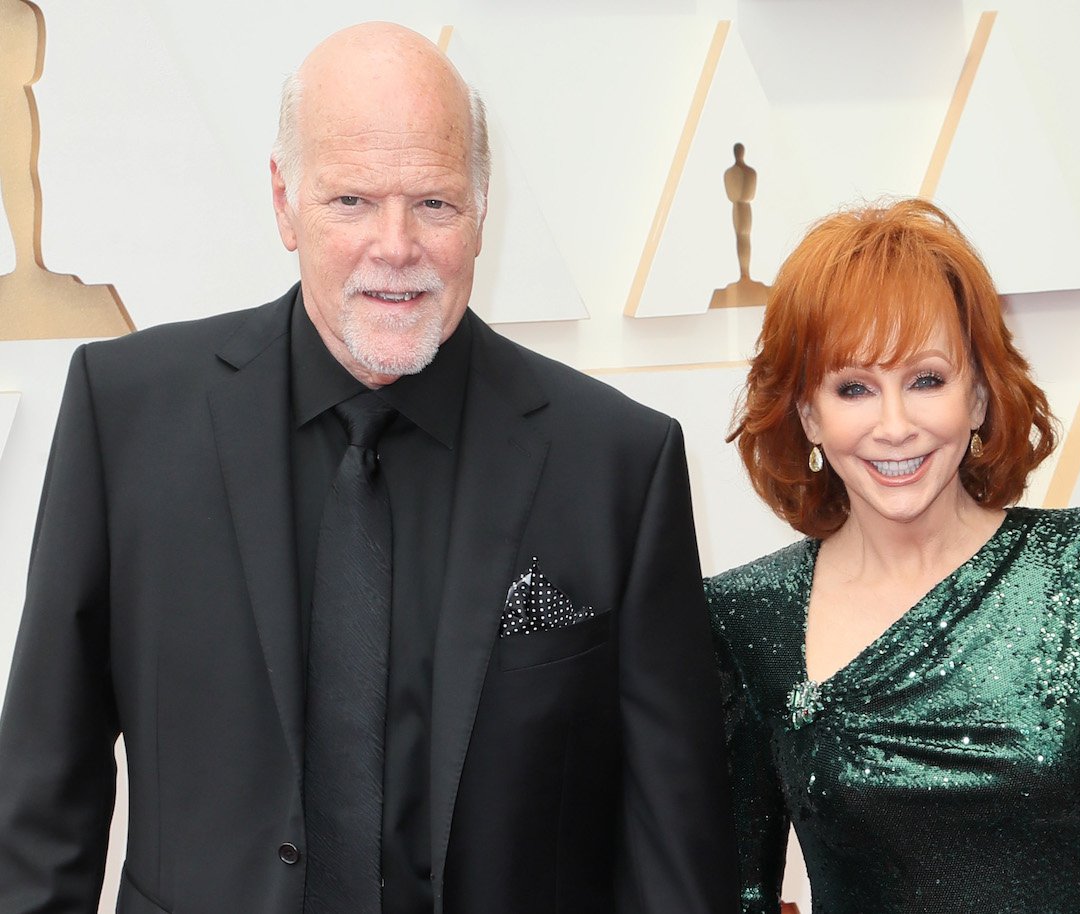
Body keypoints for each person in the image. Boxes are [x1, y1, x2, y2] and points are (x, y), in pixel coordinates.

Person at [0, 22, 736, 914]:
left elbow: (674, 857)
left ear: (482, 205)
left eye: (434, 203)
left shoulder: (619, 462)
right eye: (350, 201)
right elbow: (43, 802)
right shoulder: (126, 417)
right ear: (284, 200)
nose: (396, 247)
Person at [706, 199, 1080, 913]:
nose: (895, 426)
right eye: (854, 388)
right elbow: (740, 890)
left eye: (926, 380)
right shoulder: (747, 617)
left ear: (977, 394)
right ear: (809, 414)